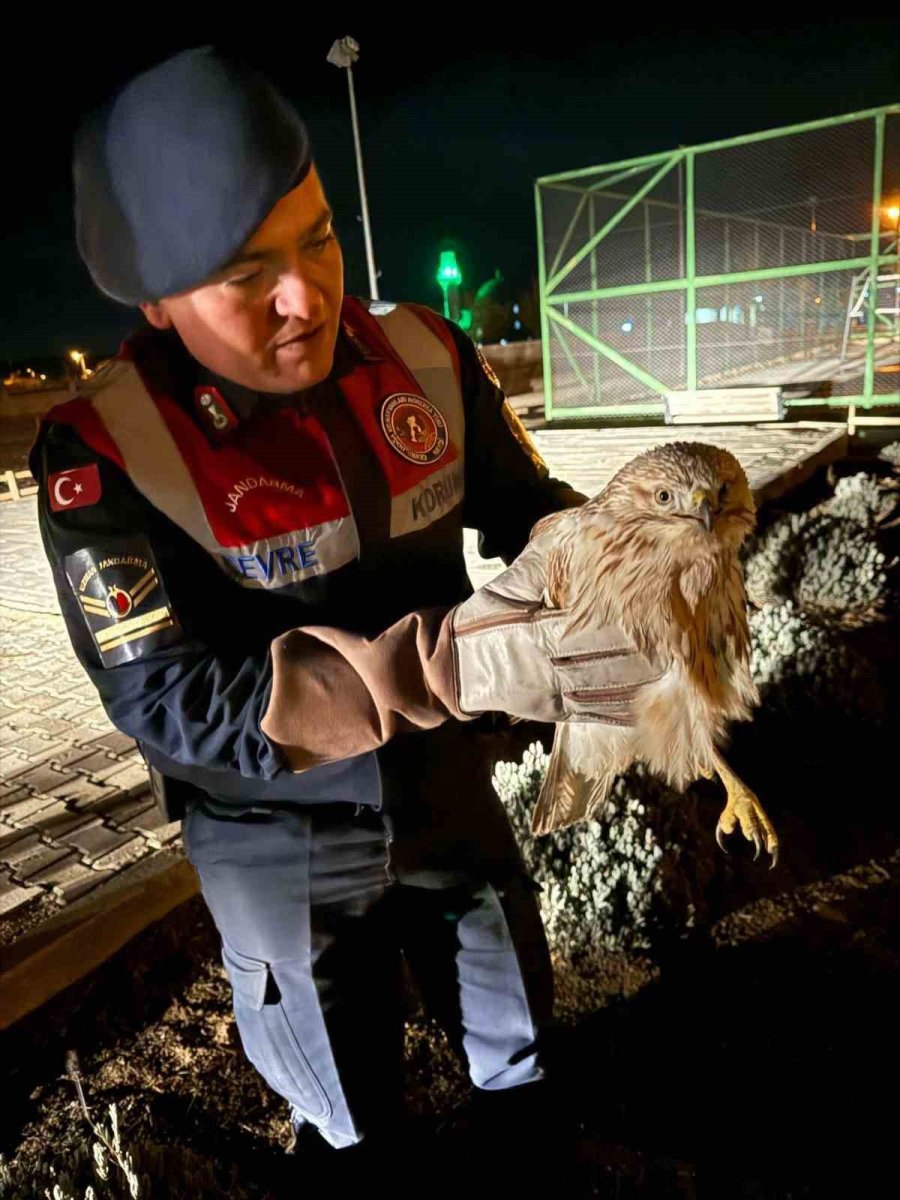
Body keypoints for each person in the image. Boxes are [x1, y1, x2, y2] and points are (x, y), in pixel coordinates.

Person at [30, 46, 655, 1175]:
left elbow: (527, 513)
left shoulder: (421, 352)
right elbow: (162, 695)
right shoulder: (109, 455)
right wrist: (432, 674)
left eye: (319, 237)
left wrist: (625, 560)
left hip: (451, 790)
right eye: (245, 273)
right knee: (345, 1098)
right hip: (278, 841)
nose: (305, 297)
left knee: (516, 1022)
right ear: (157, 300)